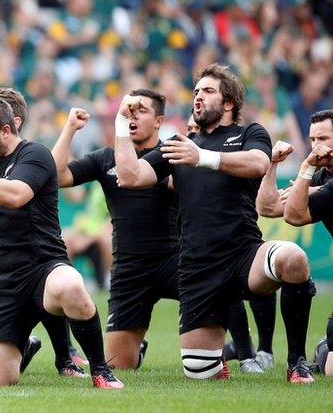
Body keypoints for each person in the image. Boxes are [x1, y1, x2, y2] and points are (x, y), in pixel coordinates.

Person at [114, 63, 315, 383]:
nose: (197, 97)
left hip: (243, 253)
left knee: (293, 258)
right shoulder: (179, 144)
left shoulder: (249, 133)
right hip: (197, 267)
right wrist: (121, 122)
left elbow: (258, 163)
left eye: (207, 91)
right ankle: (226, 350)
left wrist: (204, 158)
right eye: (195, 91)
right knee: (199, 372)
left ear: (228, 103)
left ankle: (297, 362)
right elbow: (129, 176)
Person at [0, 96, 123, 388]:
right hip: (0, 281)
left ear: (6, 130)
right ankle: (21, 344)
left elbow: (15, 195)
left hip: (44, 269)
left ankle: (100, 369)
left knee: (70, 284)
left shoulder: (35, 155)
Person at [52, 90, 178, 370]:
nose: (133, 115)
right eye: (128, 110)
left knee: (214, 292)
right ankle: (136, 350)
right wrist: (70, 128)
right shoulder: (104, 158)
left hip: (175, 260)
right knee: (119, 366)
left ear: (159, 121)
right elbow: (57, 176)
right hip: (129, 271)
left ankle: (248, 350)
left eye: (141, 110)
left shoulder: (172, 153)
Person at [0, 87, 87, 377]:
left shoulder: (31, 155)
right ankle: (22, 345)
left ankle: (66, 356)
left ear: (12, 123)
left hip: (34, 255)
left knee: (51, 290)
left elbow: (48, 173)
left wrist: (68, 129)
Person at [281, 111, 333, 377]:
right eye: (312, 139)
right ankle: (325, 349)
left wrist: (304, 170)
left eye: (323, 138)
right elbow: (269, 206)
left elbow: (295, 214)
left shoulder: (318, 180)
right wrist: (271, 167)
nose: (316, 146)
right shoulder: (321, 177)